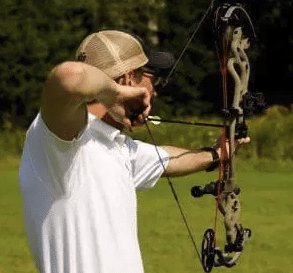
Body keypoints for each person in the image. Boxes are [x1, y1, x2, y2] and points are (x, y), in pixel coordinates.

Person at [18, 30, 248, 273]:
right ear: (128, 78)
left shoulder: (116, 146)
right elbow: (68, 76)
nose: (155, 90)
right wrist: (115, 94)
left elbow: (166, 160)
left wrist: (217, 154)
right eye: (149, 77)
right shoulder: (59, 142)